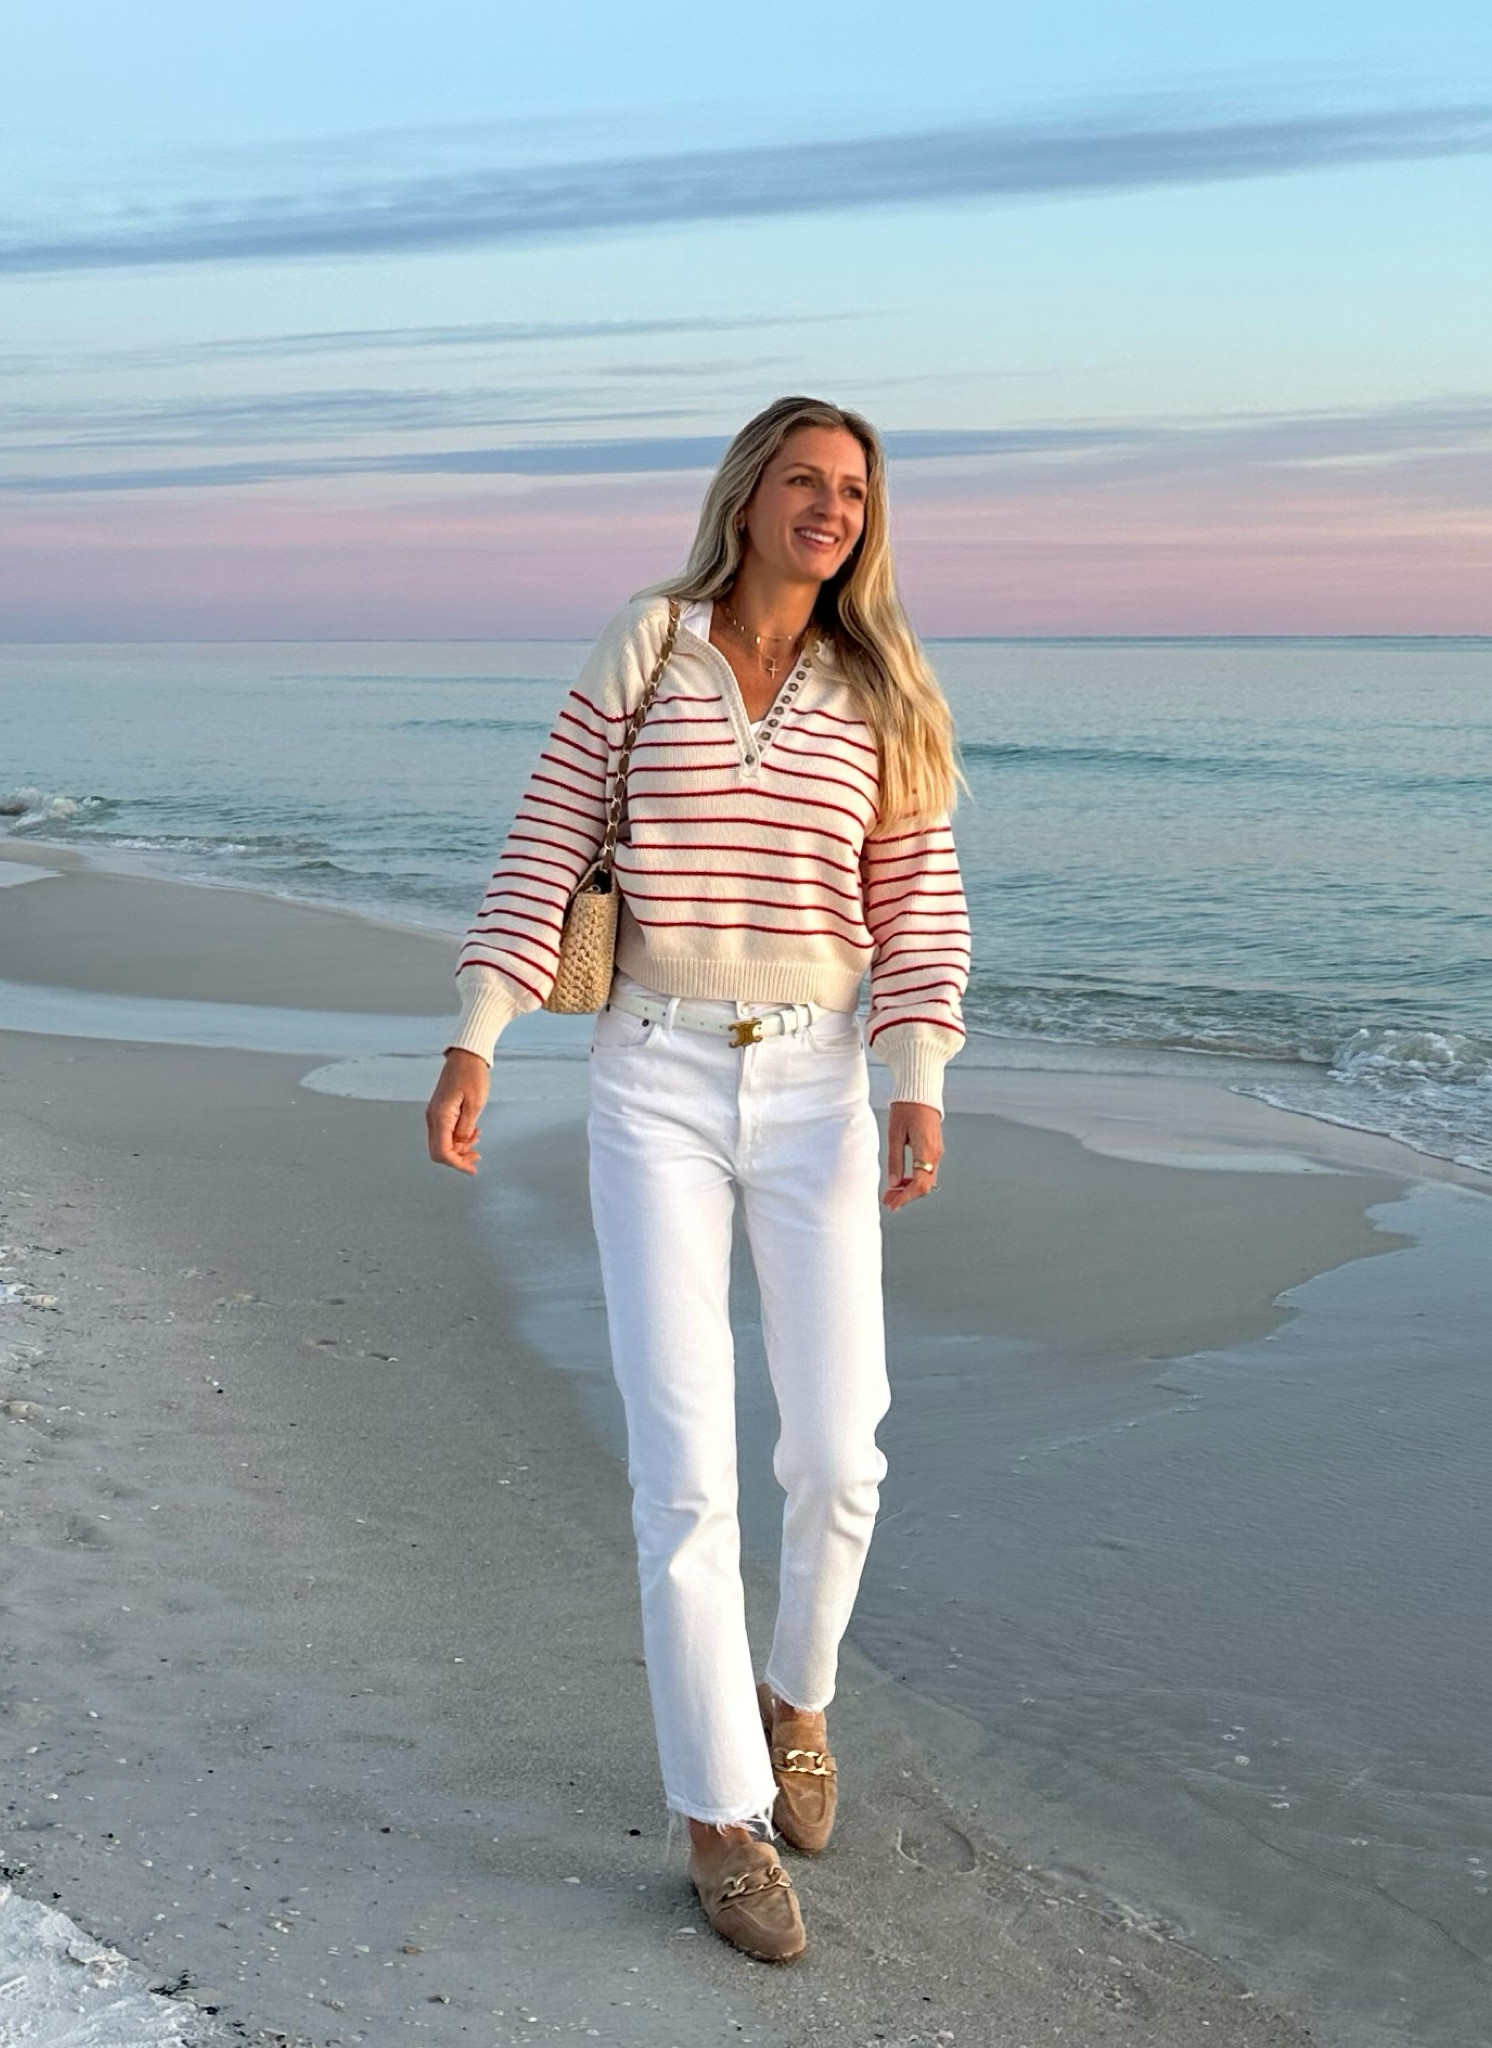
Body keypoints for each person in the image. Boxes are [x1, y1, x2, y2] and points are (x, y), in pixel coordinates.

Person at [426, 395, 970, 1962]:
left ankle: (795, 1695)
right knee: (687, 1472)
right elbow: (547, 842)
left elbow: (919, 902)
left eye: (854, 488)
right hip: (653, 1075)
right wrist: (479, 1033)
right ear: (746, 497)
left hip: (818, 1088)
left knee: (840, 1450)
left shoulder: (884, 683)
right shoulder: (648, 640)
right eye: (803, 480)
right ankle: (717, 1816)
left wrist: (917, 1076)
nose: (831, 507)